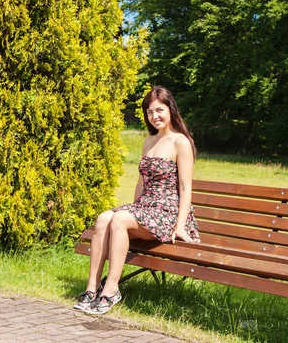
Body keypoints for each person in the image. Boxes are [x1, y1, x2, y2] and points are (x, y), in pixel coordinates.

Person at [74, 85, 201, 315]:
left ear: (171, 109)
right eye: (150, 112)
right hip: (146, 208)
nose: (154, 116)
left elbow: (185, 186)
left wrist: (180, 226)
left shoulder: (180, 142)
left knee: (120, 219)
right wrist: (133, 210)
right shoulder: (149, 142)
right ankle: (92, 289)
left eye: (159, 110)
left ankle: (111, 290)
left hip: (167, 213)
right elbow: (141, 181)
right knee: (104, 218)